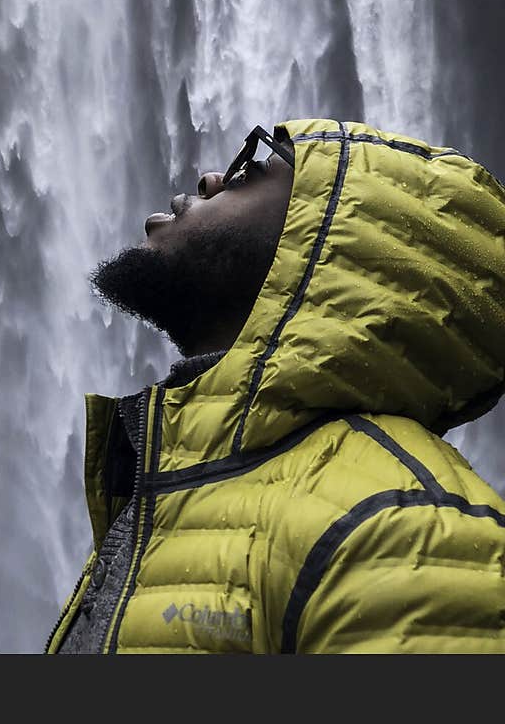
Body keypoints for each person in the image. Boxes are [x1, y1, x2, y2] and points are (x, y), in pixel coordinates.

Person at [45, 118, 505, 654]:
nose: (210, 180)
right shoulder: (169, 490)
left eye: (248, 170)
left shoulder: (401, 528)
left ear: (330, 236)